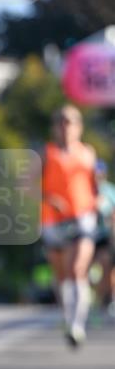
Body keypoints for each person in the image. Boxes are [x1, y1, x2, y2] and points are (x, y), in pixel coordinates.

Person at [41, 105, 98, 346]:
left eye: (71, 121)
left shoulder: (88, 153)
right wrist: (48, 198)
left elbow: (95, 184)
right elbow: (27, 185)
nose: (66, 126)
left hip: (82, 216)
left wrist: (99, 200)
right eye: (62, 121)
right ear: (55, 127)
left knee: (77, 269)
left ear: (79, 127)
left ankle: (77, 325)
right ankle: (68, 317)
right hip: (53, 220)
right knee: (62, 275)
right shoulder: (46, 153)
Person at [93, 159, 115, 314]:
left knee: (106, 266)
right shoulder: (84, 188)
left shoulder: (109, 190)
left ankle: (107, 298)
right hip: (84, 234)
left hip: (104, 236)